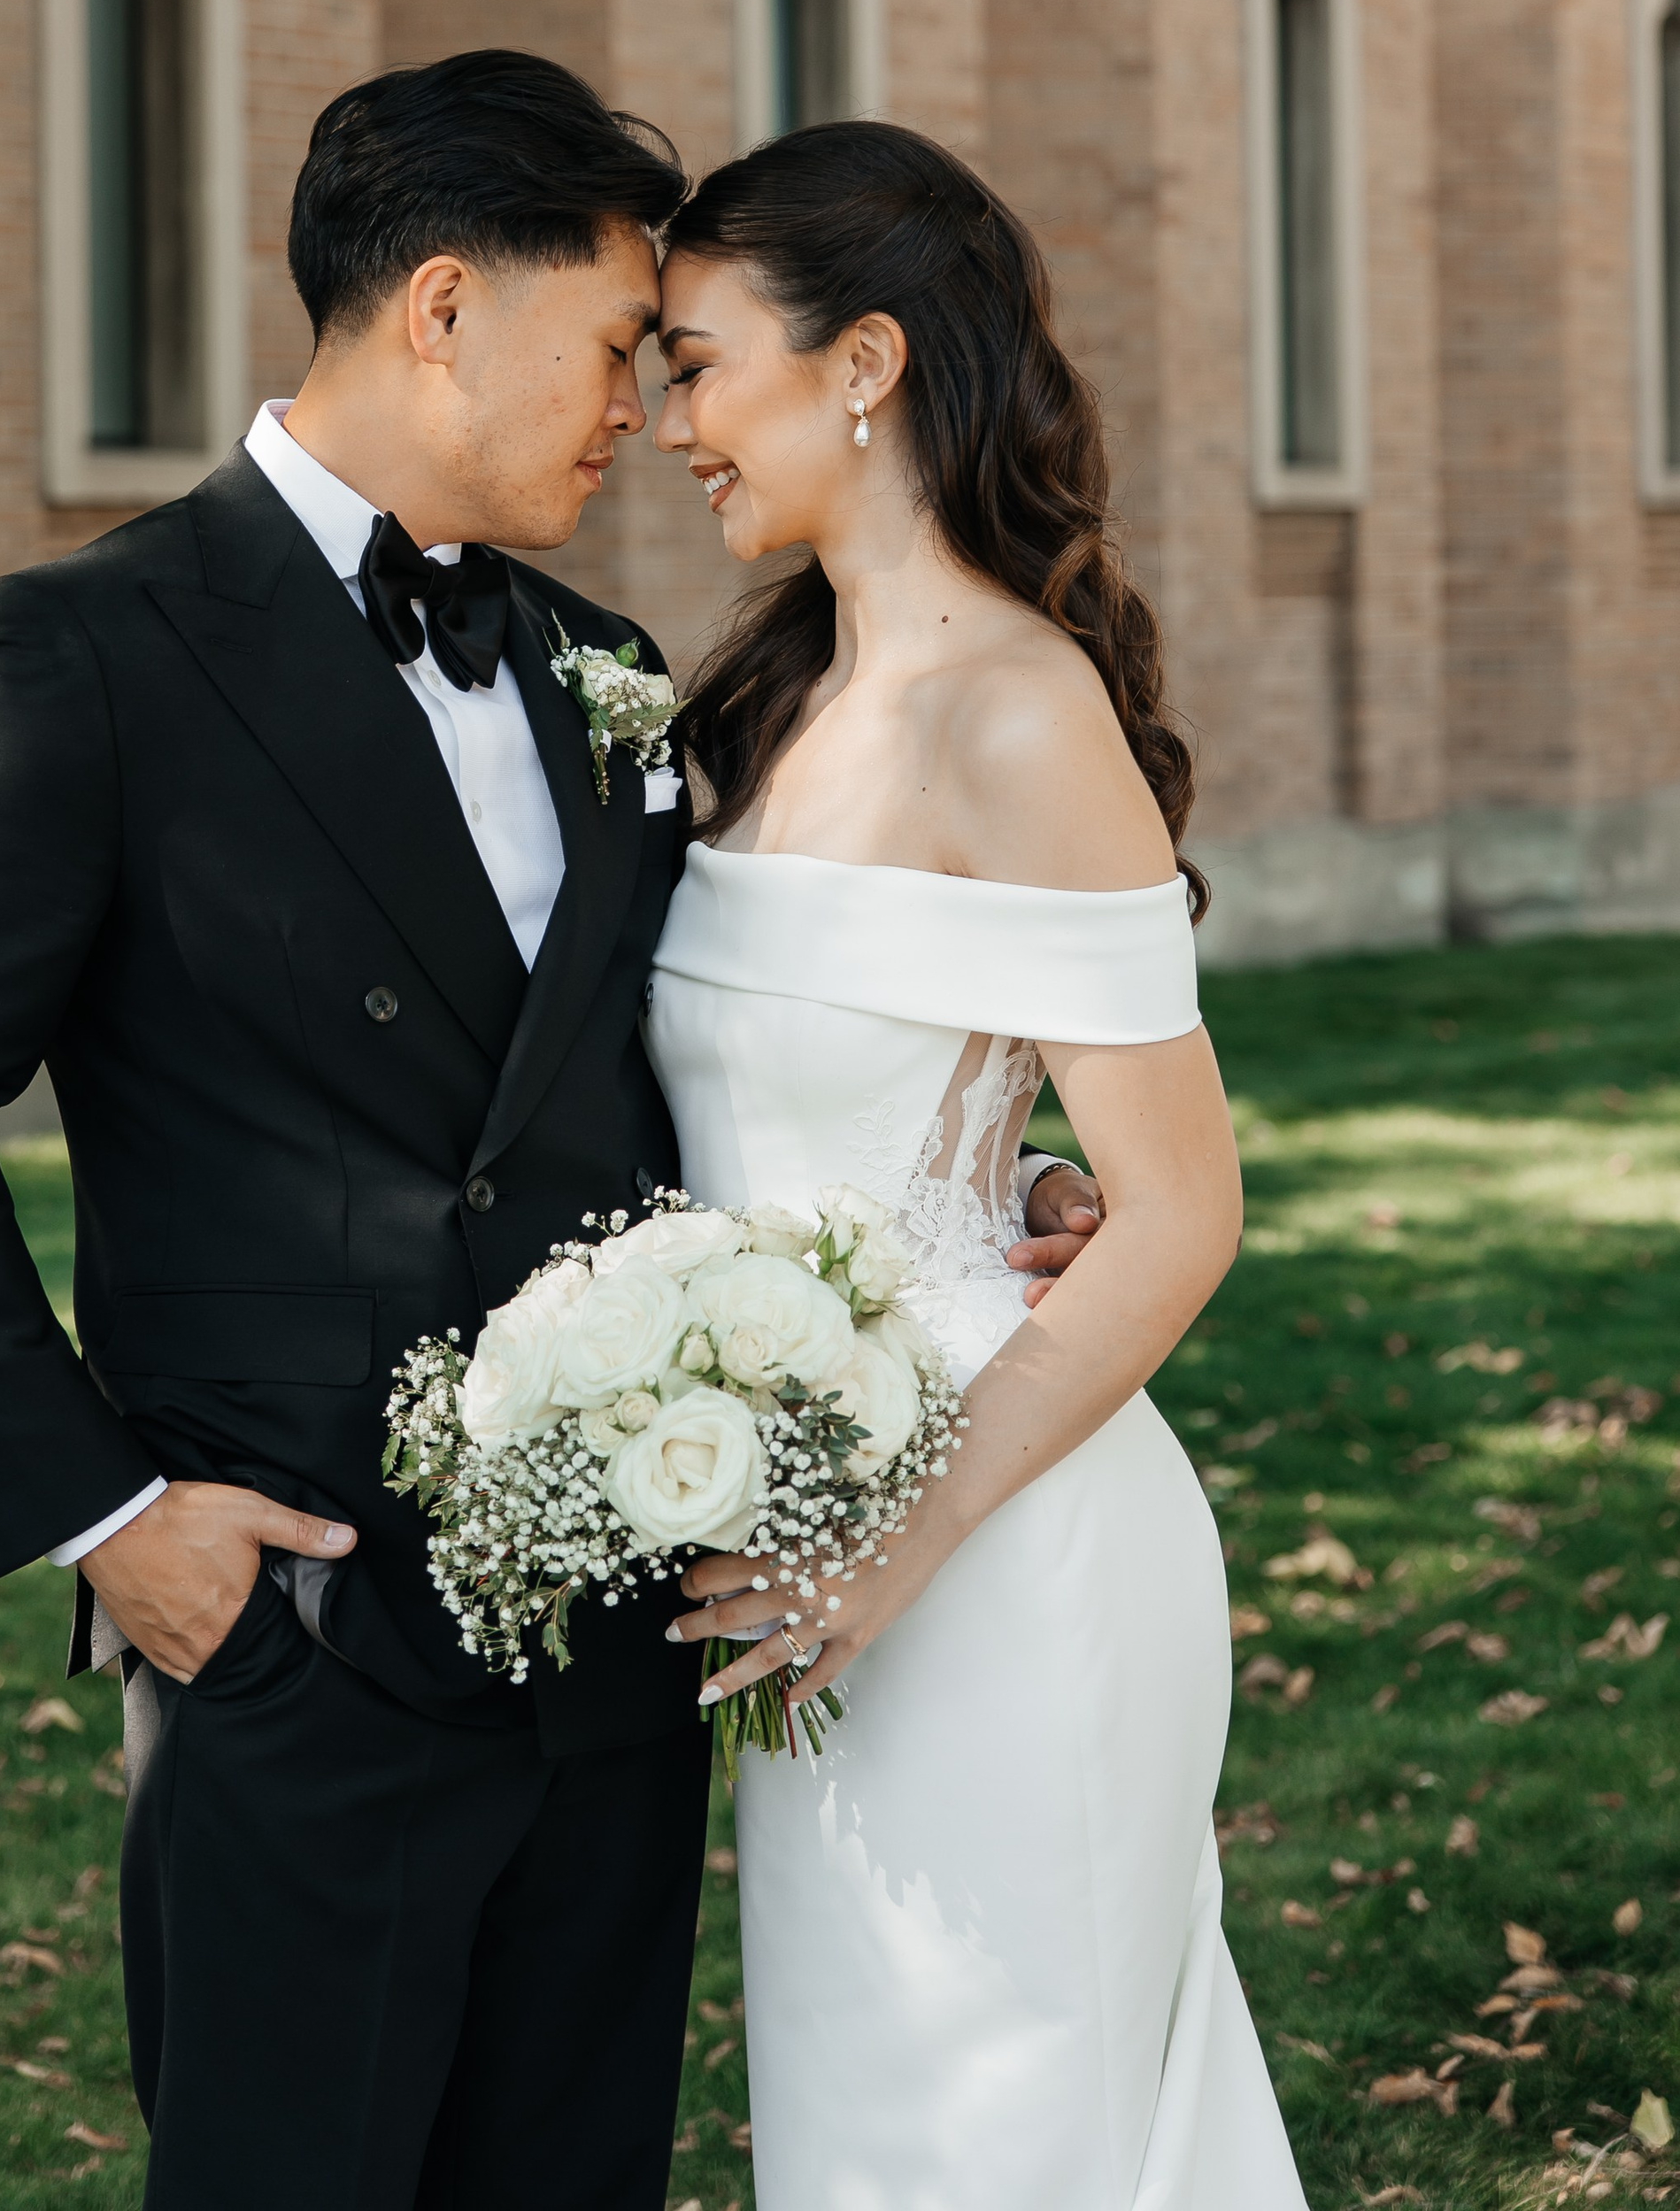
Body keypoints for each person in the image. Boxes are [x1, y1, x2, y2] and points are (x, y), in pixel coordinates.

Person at [0, 50, 1096, 2211]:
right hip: (293, 1642)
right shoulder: (87, 653)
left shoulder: (602, 667)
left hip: (610, 1642)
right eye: (609, 347)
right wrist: (110, 1514)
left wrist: (990, 1177)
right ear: (441, 310)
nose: (637, 413)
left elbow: (708, 1049)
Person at [650, 121, 1307, 2211]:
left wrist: (891, 1547)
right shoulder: (764, 702)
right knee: (867, 2131)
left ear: (860, 365)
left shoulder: (1016, 720)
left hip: (997, 1551)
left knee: (1021, 2128)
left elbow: (1181, 1207)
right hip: (802, 1539)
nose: (666, 421)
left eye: (693, 361)